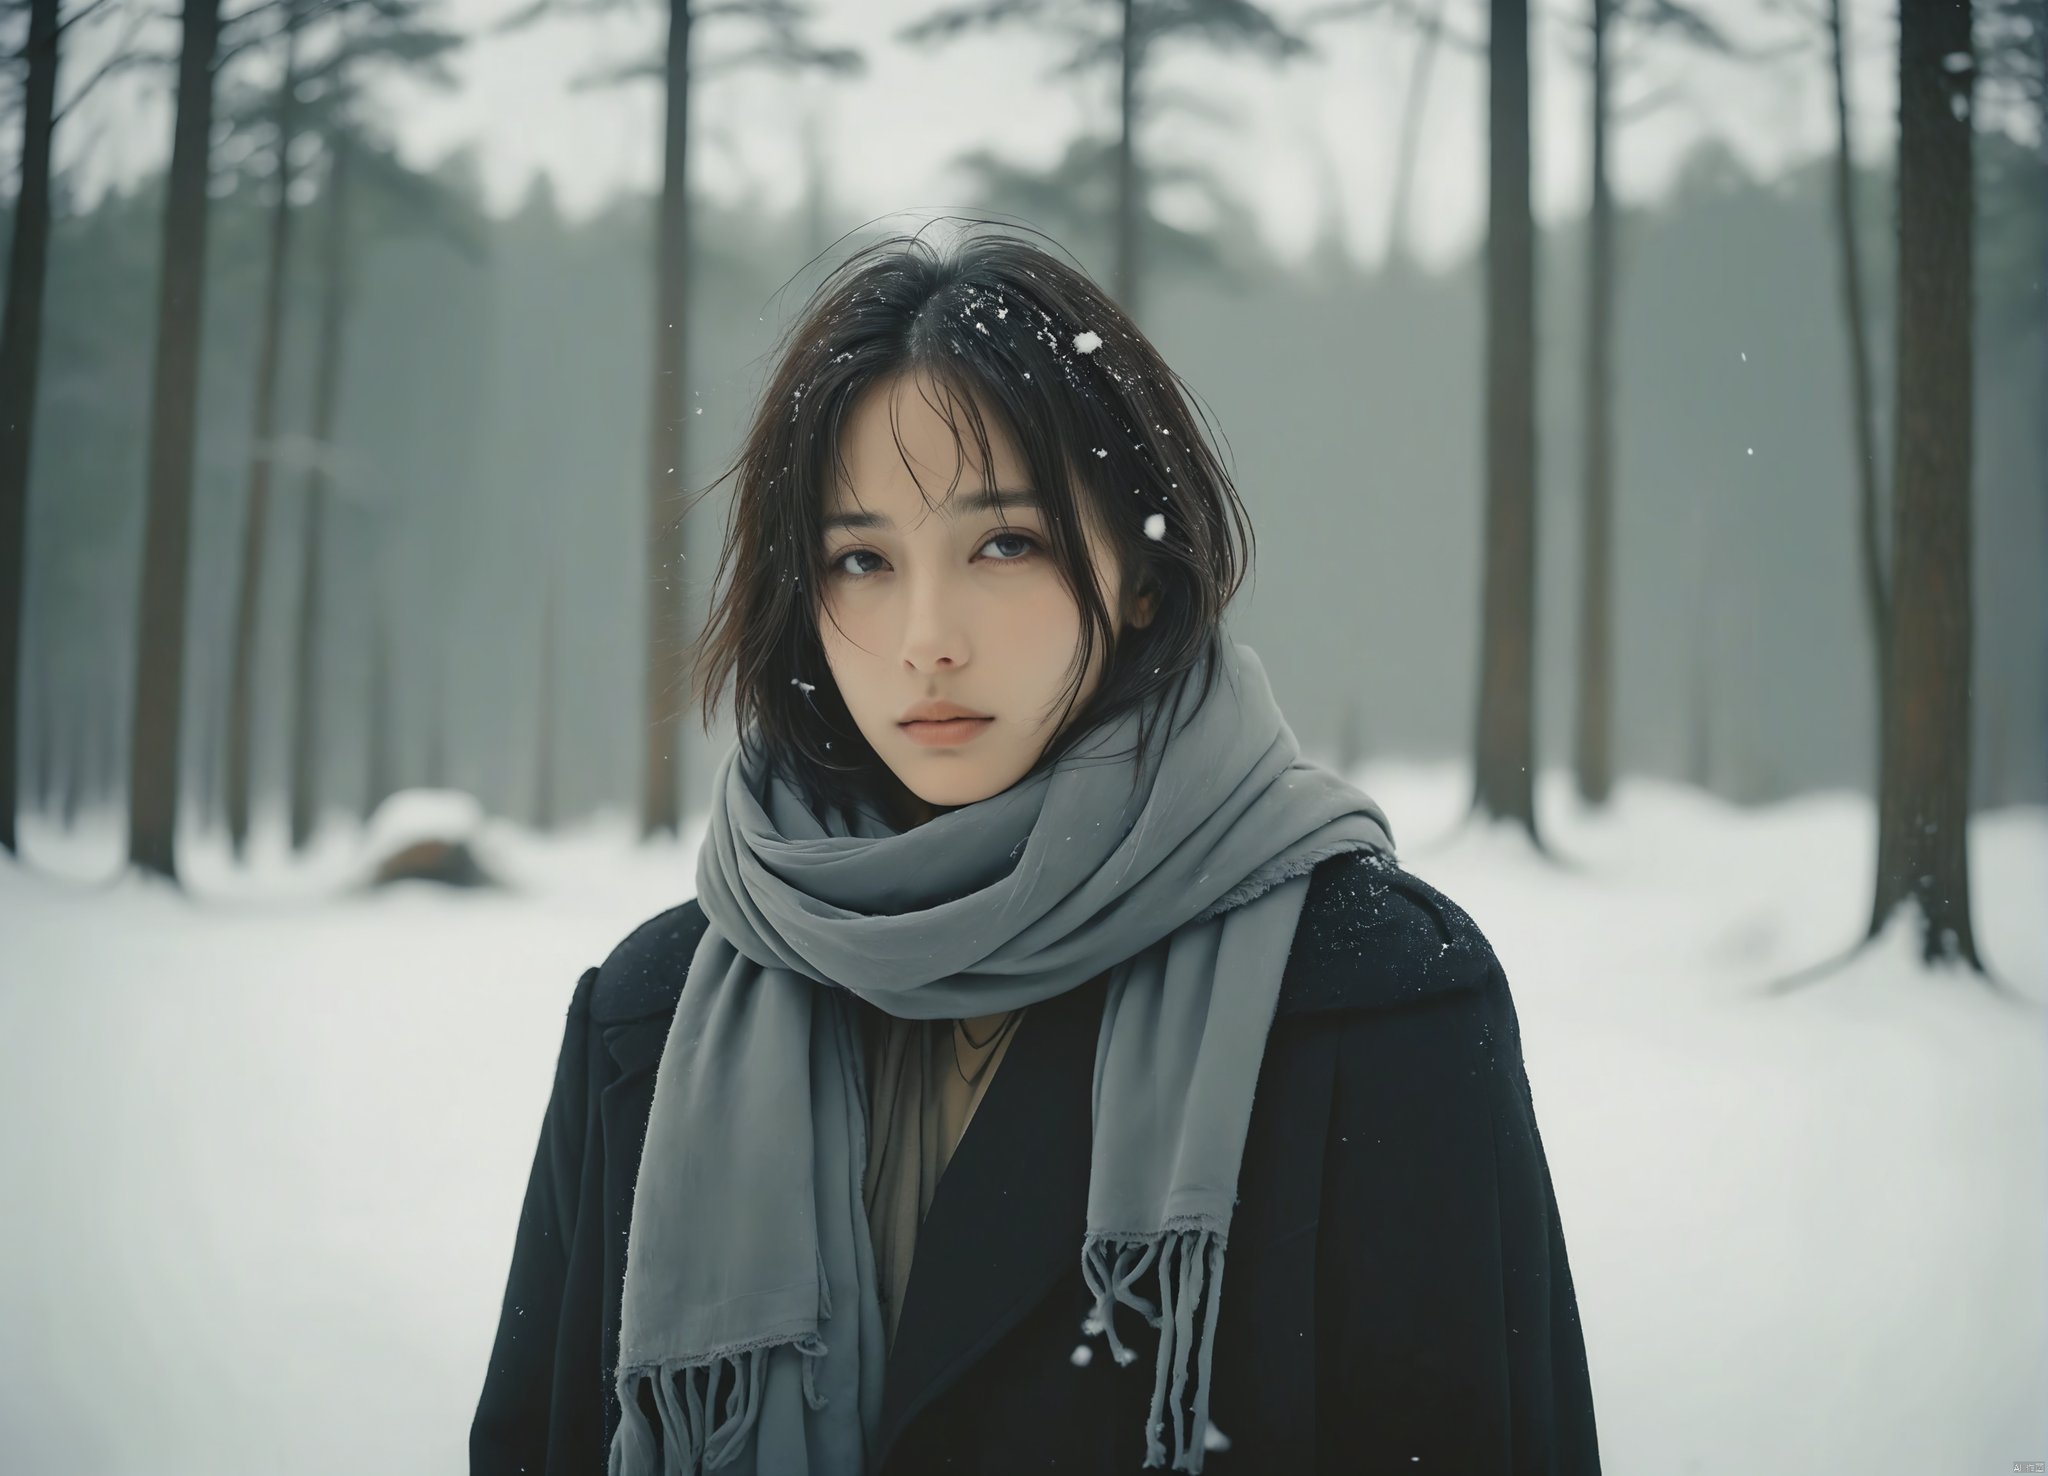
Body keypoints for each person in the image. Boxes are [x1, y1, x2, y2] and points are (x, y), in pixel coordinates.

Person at [469, 223, 1601, 1476]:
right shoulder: (653, 1018)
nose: (926, 637)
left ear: (1141, 576)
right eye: (860, 559)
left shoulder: (1372, 998)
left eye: (1003, 543)